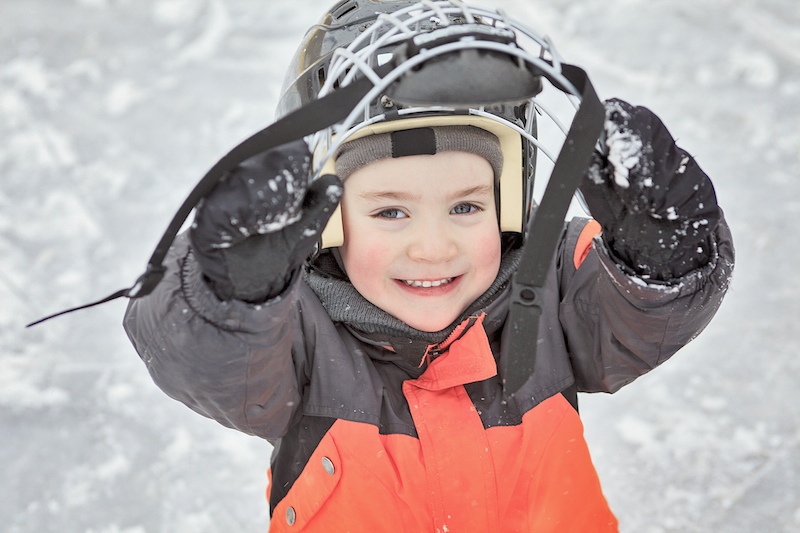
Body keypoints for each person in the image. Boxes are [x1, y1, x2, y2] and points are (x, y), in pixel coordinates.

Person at [123, 1, 734, 531]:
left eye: (466, 206)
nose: (434, 247)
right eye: (391, 213)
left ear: (510, 203)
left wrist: (663, 253)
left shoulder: (551, 286)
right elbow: (201, 357)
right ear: (326, 218)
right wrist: (234, 291)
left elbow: (642, 319)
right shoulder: (296, 335)